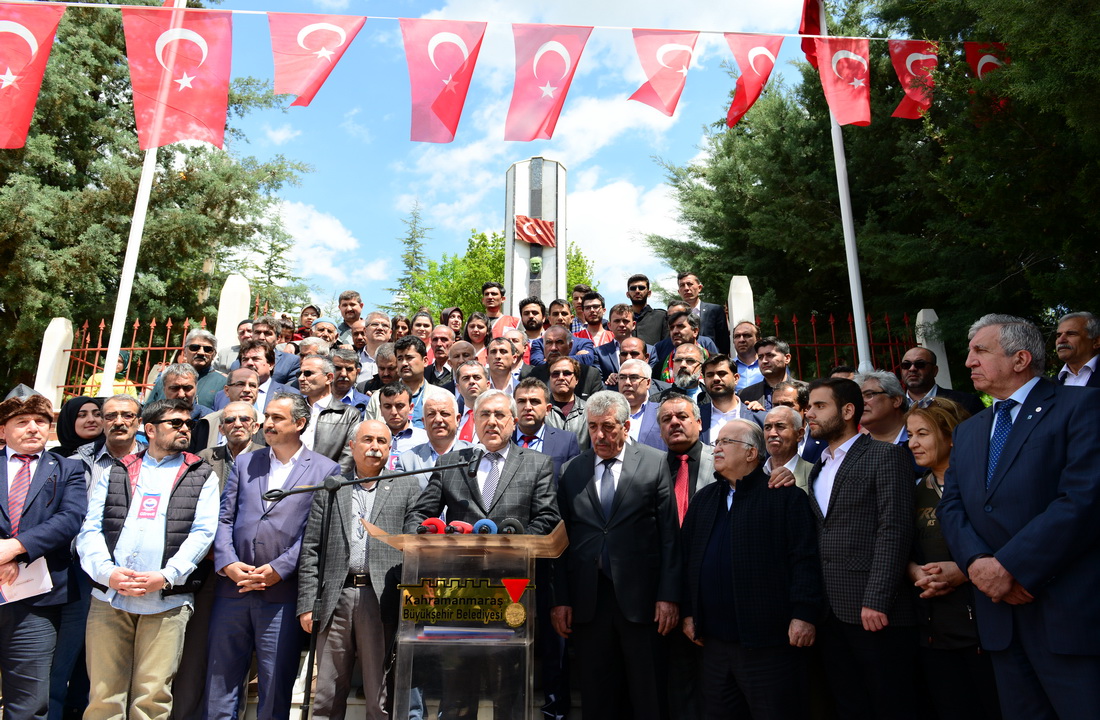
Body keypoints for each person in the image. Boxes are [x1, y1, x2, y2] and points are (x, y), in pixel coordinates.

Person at [938, 314, 1100, 720]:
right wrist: (978, 565)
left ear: (1021, 359)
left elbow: (1082, 499)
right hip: (1000, 620)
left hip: (1066, 614)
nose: (969, 361)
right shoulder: (970, 430)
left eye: (980, 351)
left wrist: (1011, 567)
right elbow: (952, 506)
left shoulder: (1082, 406)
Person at [77, 398, 220, 720]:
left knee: (153, 697)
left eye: (188, 424)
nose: (185, 429)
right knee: (103, 695)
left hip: (167, 599)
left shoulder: (200, 473)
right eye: (176, 423)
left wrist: (167, 575)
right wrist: (107, 573)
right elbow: (90, 529)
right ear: (150, 429)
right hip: (110, 597)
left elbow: (203, 533)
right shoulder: (118, 469)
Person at [204, 392, 342, 720]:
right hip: (233, 590)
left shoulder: (325, 470)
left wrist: (279, 569)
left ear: (300, 423)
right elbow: (224, 518)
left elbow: (316, 532)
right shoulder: (245, 462)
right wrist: (228, 563)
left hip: (281, 594)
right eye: (266, 417)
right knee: (219, 682)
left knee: (275, 684)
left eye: (277, 418)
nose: (267, 423)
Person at [680, 420, 823, 720]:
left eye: (726, 442)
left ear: (751, 453)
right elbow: (688, 560)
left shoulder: (784, 496)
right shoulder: (704, 499)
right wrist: (689, 612)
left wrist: (804, 614)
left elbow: (804, 560)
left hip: (768, 645)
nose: (716, 449)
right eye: (716, 442)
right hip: (713, 645)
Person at [552, 391, 680, 720]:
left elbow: (669, 536)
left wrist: (668, 596)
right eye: (593, 427)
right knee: (597, 699)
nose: (599, 435)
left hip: (643, 602)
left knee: (648, 696)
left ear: (625, 426)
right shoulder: (571, 471)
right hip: (589, 602)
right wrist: (561, 600)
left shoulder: (654, 462)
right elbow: (561, 543)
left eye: (608, 427)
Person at [804, 377, 917, 719]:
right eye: (808, 406)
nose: (809, 413)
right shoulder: (818, 467)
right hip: (829, 613)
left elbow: (894, 530)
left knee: (891, 705)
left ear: (848, 411)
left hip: (876, 612)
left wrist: (877, 599)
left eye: (819, 406)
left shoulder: (886, 455)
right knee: (848, 705)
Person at [298, 419, 423, 720]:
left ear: (390, 449)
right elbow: (311, 548)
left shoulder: (406, 486)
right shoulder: (331, 488)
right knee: (327, 693)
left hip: (381, 598)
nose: (374, 447)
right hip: (335, 599)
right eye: (367, 440)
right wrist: (307, 604)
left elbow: (415, 544)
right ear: (352, 445)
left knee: (379, 696)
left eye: (382, 441)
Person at [903, 398, 1001, 720]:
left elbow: (1005, 541)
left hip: (987, 627)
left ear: (951, 436)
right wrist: (915, 571)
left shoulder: (986, 483)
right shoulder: (914, 490)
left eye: (923, 433)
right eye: (909, 434)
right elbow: (902, 547)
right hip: (935, 631)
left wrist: (964, 570)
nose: (912, 443)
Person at [0, 394, 86, 720]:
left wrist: (15, 549)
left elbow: (70, 518)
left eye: (40, 421)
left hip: (36, 604)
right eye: (22, 422)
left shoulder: (68, 469)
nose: (33, 428)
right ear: (3, 430)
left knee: (30, 701)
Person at [297, 355, 359, 473]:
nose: (301, 378)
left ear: (329, 378)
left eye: (308, 373)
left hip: (326, 481)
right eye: (299, 374)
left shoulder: (349, 415)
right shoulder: (292, 409)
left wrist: (329, 482)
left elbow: (347, 459)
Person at [396, 393, 471, 490]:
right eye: (431, 414)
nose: (438, 419)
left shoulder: (474, 454)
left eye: (444, 413)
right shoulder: (406, 461)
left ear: (457, 419)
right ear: (424, 422)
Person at [146, 330, 227, 408]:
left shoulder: (222, 383)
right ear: (185, 352)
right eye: (194, 348)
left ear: (214, 354)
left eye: (208, 349)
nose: (201, 352)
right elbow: (148, 410)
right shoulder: (167, 378)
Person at [899, 346, 986, 414]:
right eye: (906, 365)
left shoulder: (965, 403)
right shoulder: (895, 407)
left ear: (934, 371)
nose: (912, 369)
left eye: (920, 364)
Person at [699, 354, 761, 443]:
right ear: (704, 381)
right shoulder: (696, 417)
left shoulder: (758, 417)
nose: (716, 378)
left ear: (736, 378)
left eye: (722, 374)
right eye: (710, 375)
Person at [762, 406, 815, 494]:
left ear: (799, 434)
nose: (772, 434)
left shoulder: (816, 475)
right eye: (767, 428)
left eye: (780, 427)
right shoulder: (753, 475)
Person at [676, 271, 730, 355]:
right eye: (682, 285)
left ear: (700, 288)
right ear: (679, 291)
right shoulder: (675, 315)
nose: (686, 288)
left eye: (689, 284)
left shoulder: (715, 310)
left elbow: (724, 342)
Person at [739, 336, 793, 411]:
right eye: (760, 357)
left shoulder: (805, 390)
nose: (764, 361)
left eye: (770, 355)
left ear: (787, 358)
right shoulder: (745, 394)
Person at [1053, 310, 1100, 387]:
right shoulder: (1052, 384)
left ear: (1096, 342)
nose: (1061, 340)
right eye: (1058, 335)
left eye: (1071, 334)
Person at [626, 273, 668, 346]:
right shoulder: (621, 319)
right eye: (633, 288)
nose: (637, 291)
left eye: (641, 288)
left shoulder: (661, 317)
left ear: (649, 293)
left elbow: (667, 345)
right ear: (628, 294)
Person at [730, 321, 762, 391]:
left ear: (758, 339)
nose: (741, 340)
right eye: (737, 336)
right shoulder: (728, 367)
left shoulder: (767, 365)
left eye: (746, 335)